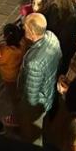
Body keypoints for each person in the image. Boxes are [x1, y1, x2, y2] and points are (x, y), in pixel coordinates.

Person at [18, 13, 61, 144]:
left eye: (25, 27)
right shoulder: (52, 37)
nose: (23, 29)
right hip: (49, 95)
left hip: (37, 108)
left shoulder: (34, 63)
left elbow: (31, 98)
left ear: (31, 31)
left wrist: (24, 113)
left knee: (33, 135)